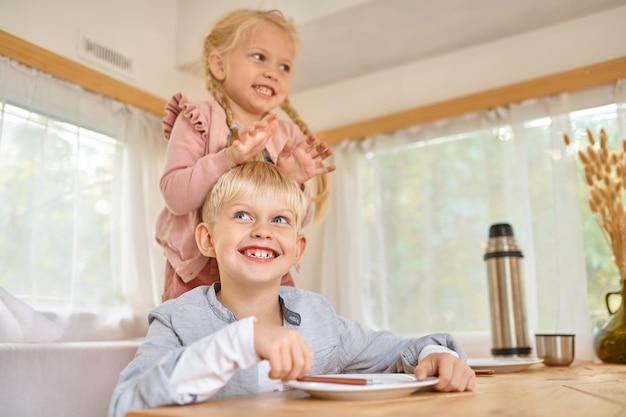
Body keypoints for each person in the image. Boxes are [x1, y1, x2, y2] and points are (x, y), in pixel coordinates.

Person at [109, 161, 476, 417]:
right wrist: (239, 342)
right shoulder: (176, 319)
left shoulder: (320, 320)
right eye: (242, 215)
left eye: (280, 219)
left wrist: (436, 354)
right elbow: (124, 404)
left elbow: (398, 351)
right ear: (206, 239)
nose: (263, 231)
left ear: (297, 250)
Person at [156, 8, 335, 301]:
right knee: (194, 344)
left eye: (284, 67)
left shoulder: (287, 136)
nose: (272, 73)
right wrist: (228, 158)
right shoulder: (196, 118)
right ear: (219, 64)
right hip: (199, 272)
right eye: (259, 57)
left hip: (267, 264)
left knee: (281, 340)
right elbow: (176, 197)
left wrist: (291, 181)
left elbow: (299, 218)